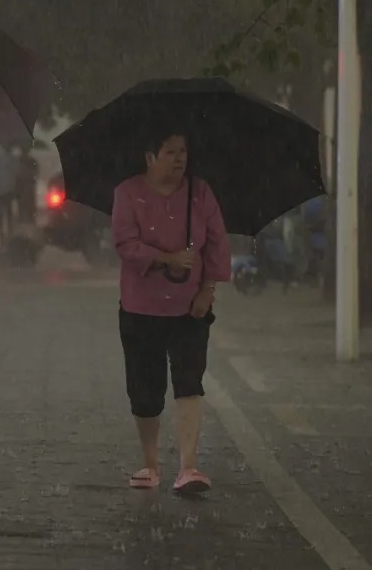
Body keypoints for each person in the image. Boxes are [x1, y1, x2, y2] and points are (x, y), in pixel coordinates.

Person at [111, 129, 231, 494]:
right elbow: (125, 244)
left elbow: (217, 242)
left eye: (183, 151)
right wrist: (165, 258)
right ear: (150, 157)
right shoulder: (127, 193)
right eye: (170, 152)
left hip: (189, 308)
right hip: (140, 306)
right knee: (145, 389)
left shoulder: (201, 192)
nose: (180, 159)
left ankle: (189, 466)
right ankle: (150, 465)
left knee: (189, 381)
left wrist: (207, 289)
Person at [0, 142, 18, 248]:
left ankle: (3, 238)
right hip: (5, 192)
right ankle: (6, 238)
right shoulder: (11, 159)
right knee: (7, 217)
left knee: (0, 217)